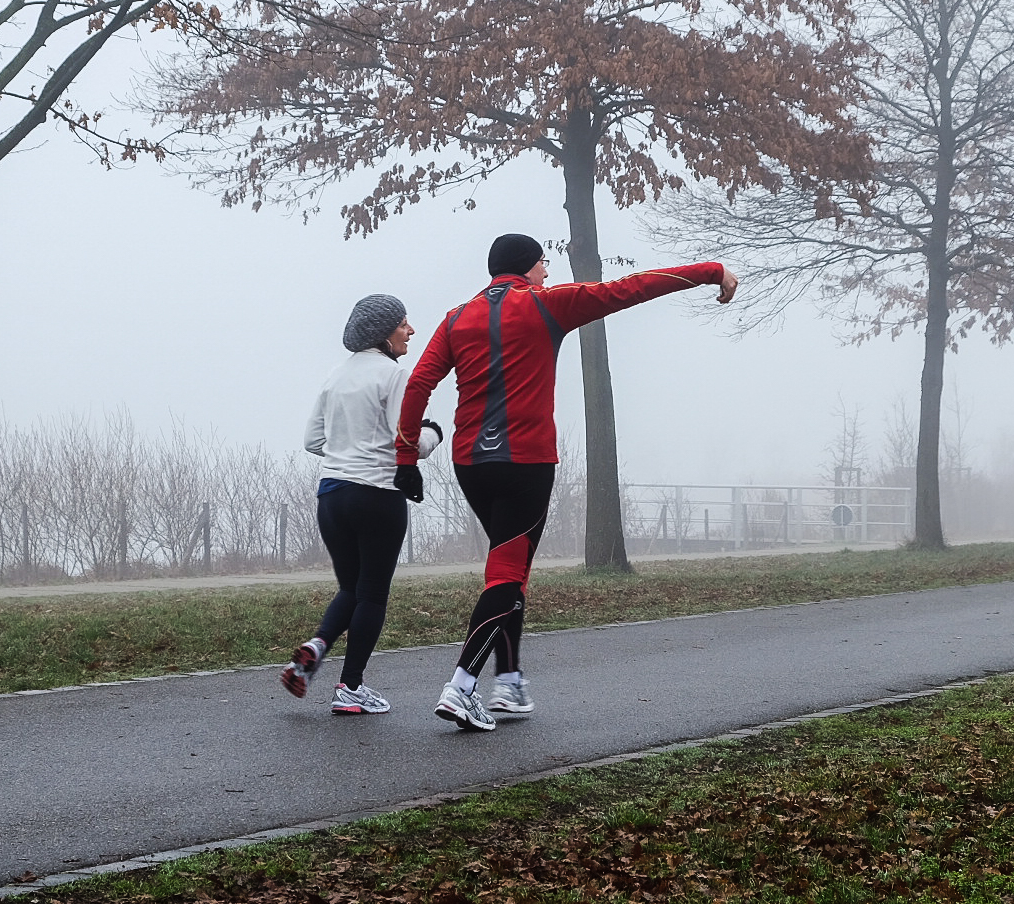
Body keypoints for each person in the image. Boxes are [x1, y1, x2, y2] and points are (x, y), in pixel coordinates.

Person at [395, 234, 737, 731]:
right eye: (543, 263)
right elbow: (632, 288)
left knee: (510, 569)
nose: (547, 272)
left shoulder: (455, 318)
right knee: (507, 573)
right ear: (526, 267)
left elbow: (419, 384)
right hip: (526, 460)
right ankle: (461, 688)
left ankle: (509, 682)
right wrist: (711, 271)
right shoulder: (548, 304)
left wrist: (407, 456)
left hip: (472, 462)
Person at [285, 294, 443, 714]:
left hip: (331, 494)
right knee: (372, 594)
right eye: (404, 324)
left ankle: (315, 647)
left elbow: (312, 441)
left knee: (351, 588)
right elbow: (407, 440)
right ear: (383, 333)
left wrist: (349, 449)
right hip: (376, 493)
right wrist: (435, 433)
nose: (411, 331)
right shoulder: (395, 375)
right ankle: (351, 688)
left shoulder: (335, 376)